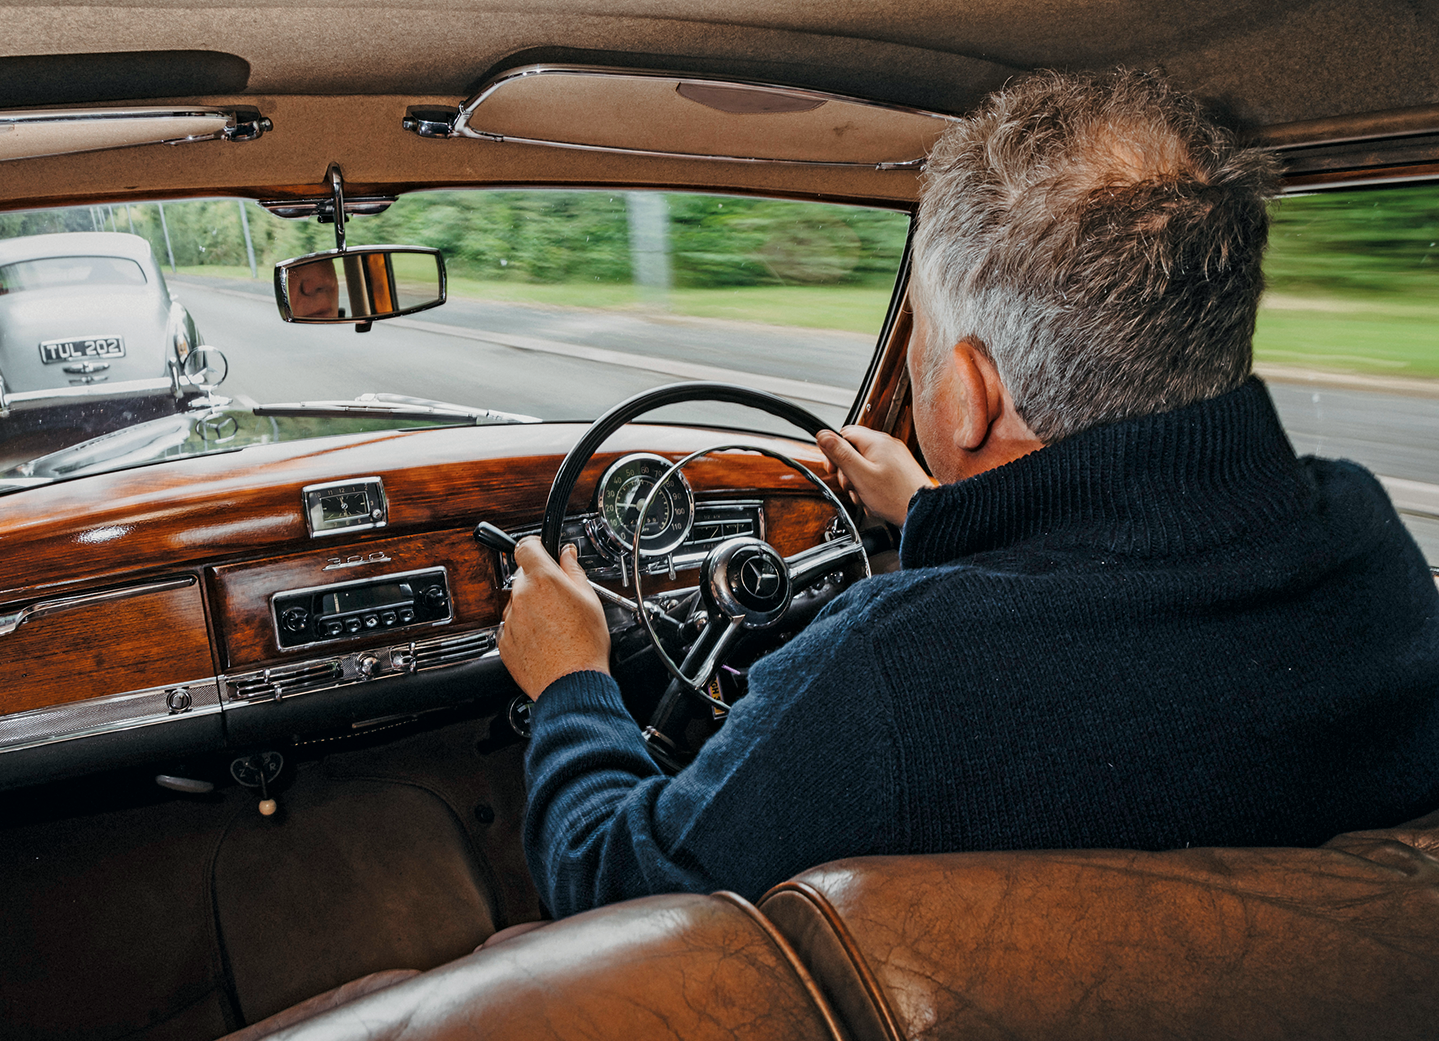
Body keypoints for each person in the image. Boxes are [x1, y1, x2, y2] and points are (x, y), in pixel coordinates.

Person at [498, 69, 1439, 920]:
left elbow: (612, 885)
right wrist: (928, 511)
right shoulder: (1363, 536)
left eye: (922, 333)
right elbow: (1108, 578)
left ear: (964, 395)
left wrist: (571, 680)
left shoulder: (891, 672)